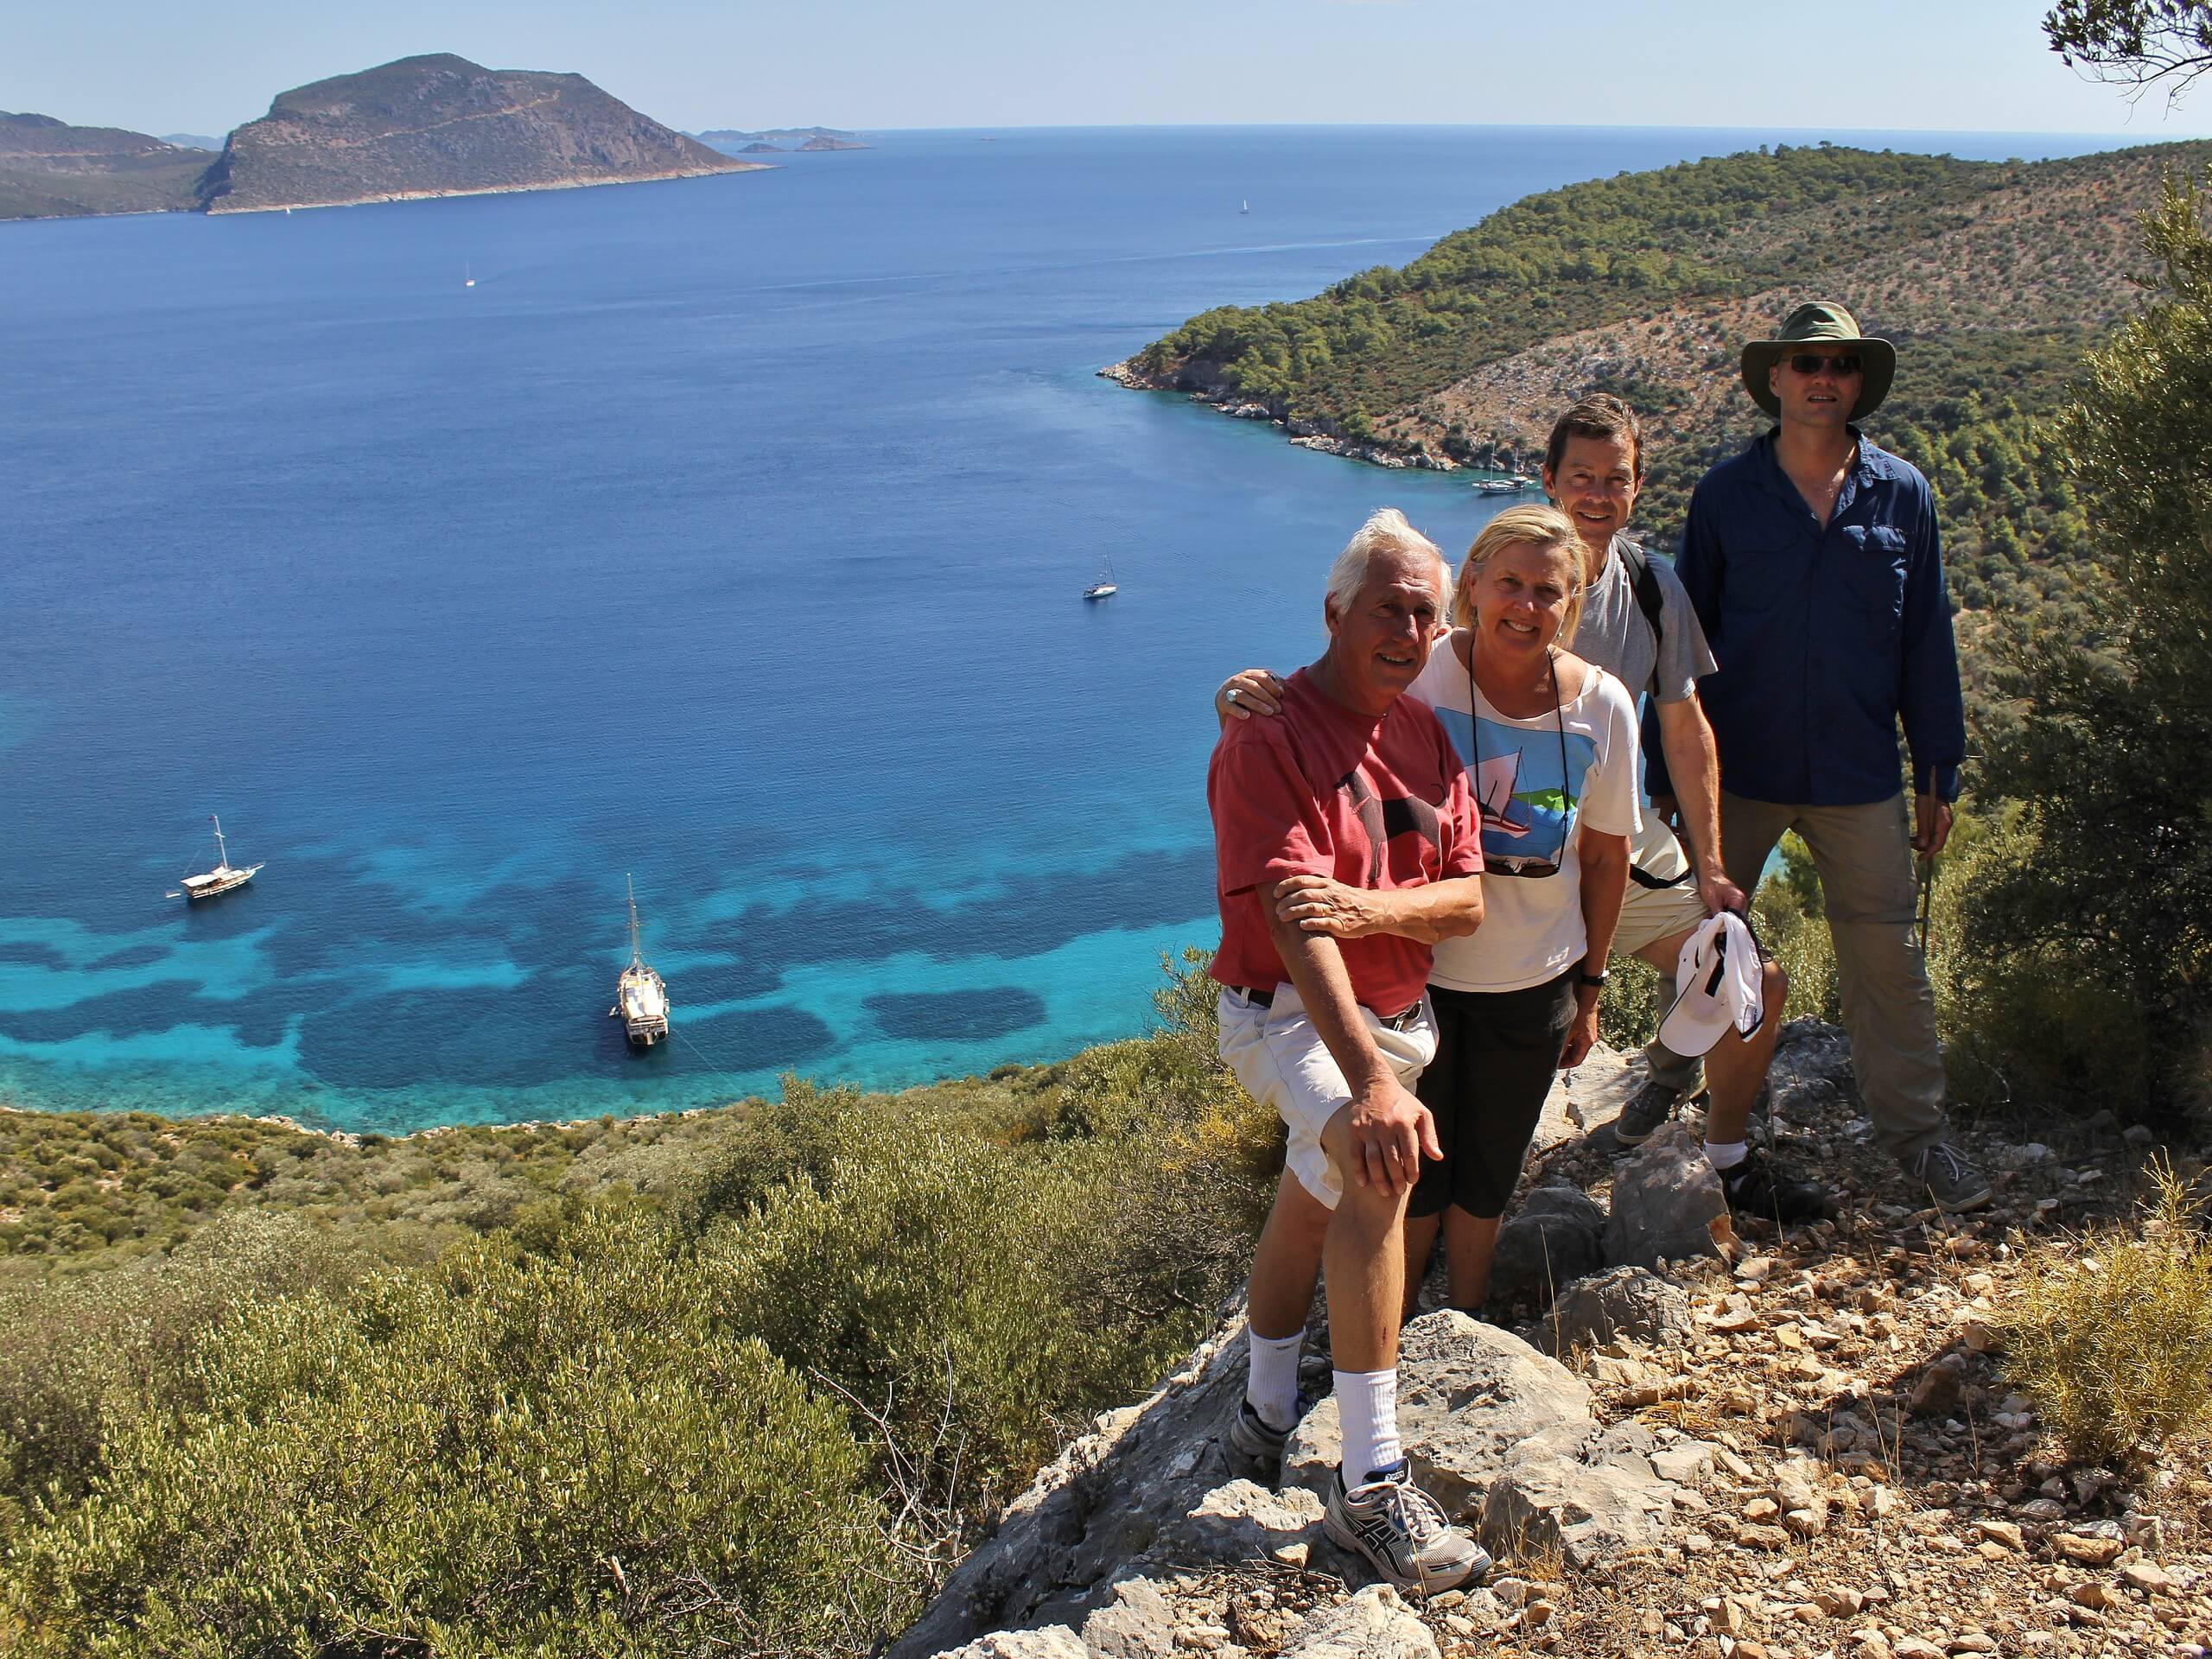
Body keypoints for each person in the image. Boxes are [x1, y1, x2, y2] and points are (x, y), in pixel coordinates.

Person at [1224, 396, 1828, 1222]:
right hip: (1462, 880)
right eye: (1579, 476)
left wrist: (1712, 866)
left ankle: (1719, 1147)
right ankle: (1399, 1237)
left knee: (1747, 980)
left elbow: (1685, 731)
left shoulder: (1653, 591)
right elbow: (1351, 682)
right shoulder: (1436, 651)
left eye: (1615, 478)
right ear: (1548, 481)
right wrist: (1249, 697)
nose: (1596, 494)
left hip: (1608, 852)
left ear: (1637, 489)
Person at [1208, 508, 1491, 1593]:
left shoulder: (1424, 734)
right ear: (1335, 613)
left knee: (1315, 1190)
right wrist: (1371, 1084)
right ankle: (1369, 1485)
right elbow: (1291, 920)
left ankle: (1263, 1413)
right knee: (1376, 1161)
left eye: (1426, 613)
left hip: (1394, 1017)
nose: (1409, 630)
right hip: (1285, 1010)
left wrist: (1373, 910)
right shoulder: (1266, 735)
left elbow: (1465, 902)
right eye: (1388, 608)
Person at [1659, 300, 1990, 1213]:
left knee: (1886, 958)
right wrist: (1671, 782)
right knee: (1705, 944)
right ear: (1775, 379)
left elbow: (1926, 640)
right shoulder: (1725, 494)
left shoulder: (1902, 494)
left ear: (1856, 383)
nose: (1822, 378)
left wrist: (1938, 768)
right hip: (1744, 768)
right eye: (1805, 363)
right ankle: (1666, 1083)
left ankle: (1918, 1138)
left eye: (1840, 365)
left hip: (1857, 771)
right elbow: (1684, 644)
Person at [1390, 505, 1637, 1314]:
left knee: (1487, 1172)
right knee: (1413, 1172)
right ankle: (1385, 1334)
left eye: (1548, 591)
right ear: (1471, 585)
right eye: (1509, 584)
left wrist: (1591, 989)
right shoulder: (1420, 672)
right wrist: (1243, 696)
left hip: (1532, 983)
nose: (1526, 606)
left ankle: (1459, 1324)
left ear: (1572, 604)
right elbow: (1323, 712)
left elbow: (1604, 858)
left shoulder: (1604, 708)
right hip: (1412, 975)